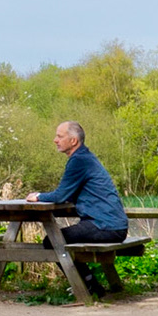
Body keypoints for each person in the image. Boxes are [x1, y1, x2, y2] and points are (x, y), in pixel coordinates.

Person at [27, 121, 128, 289]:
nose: (55, 140)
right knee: (58, 239)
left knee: (52, 240)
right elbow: (69, 194)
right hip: (113, 225)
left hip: (105, 227)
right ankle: (91, 285)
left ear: (73, 141)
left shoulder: (79, 161)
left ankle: (88, 286)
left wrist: (38, 196)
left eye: (60, 136)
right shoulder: (86, 158)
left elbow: (60, 195)